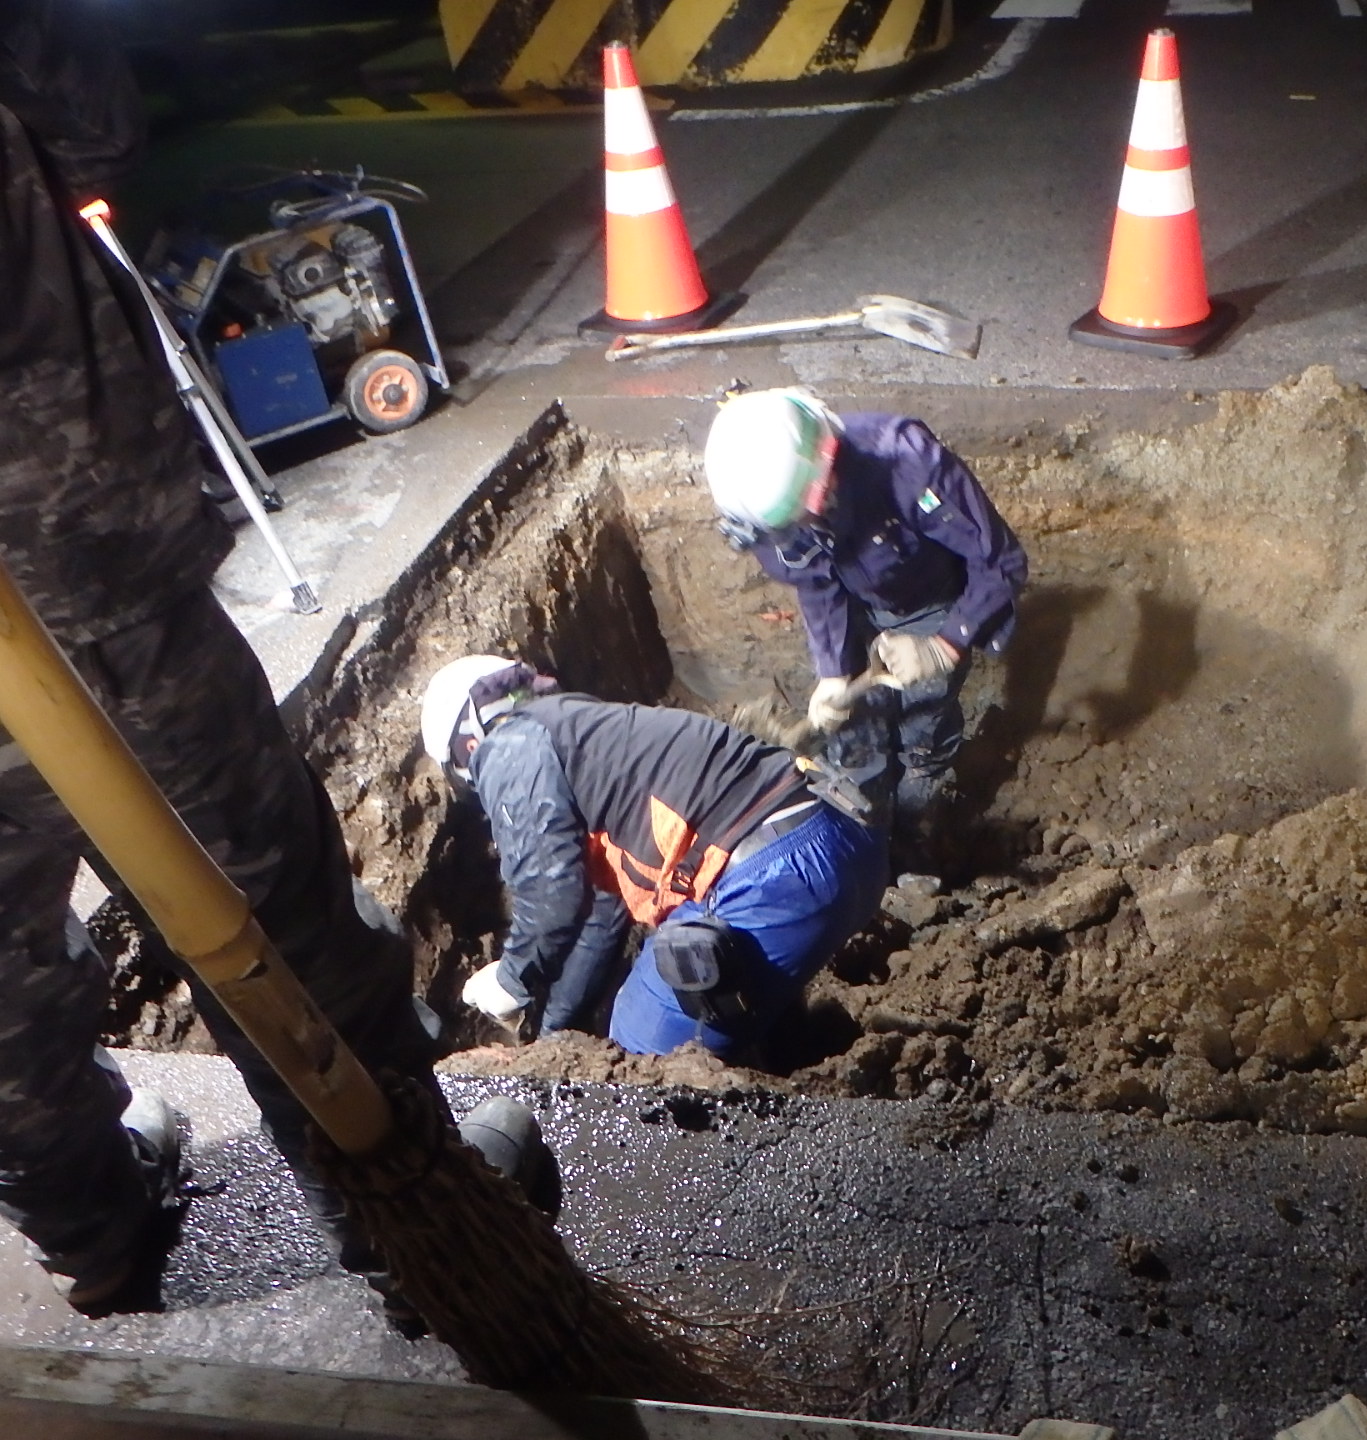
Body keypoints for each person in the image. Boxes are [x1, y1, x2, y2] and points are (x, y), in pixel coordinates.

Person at [0, 2, 533, 1323]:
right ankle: (407, 1212)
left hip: (58, 557)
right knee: (258, 892)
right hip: (67, 556)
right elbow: (91, 131)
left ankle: (92, 1236)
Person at [420, 657, 888, 1059]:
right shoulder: (591, 746)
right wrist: (551, 1040)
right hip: (841, 843)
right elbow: (597, 921)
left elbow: (549, 890)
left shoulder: (509, 746)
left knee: (639, 1049)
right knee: (741, 1005)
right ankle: (794, 1060)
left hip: (777, 874)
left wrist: (510, 979)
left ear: (468, 748)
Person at [702, 388, 1028, 854]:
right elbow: (815, 581)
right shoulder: (765, 511)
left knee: (924, 724)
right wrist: (834, 672)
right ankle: (864, 834)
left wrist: (945, 644)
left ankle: (917, 829)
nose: (806, 524)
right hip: (852, 606)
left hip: (926, 600)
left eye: (810, 513)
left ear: (826, 462)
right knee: (853, 733)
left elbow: (1000, 561)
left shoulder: (906, 462)